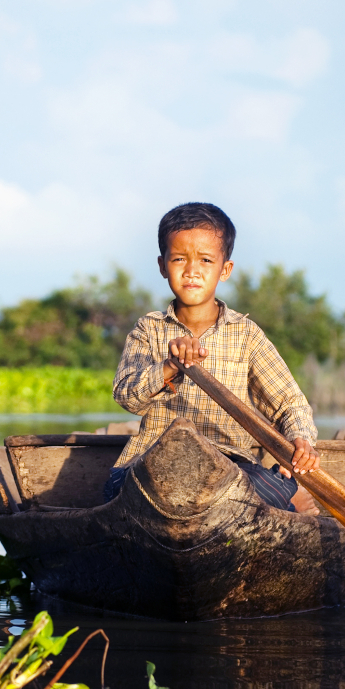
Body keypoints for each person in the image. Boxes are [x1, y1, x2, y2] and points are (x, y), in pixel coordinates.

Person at [105, 202, 321, 508]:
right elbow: (128, 397)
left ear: (225, 269)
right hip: (153, 462)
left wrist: (300, 441)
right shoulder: (149, 329)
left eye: (205, 260)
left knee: (273, 488)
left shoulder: (245, 334)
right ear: (162, 265)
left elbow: (290, 405)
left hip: (229, 467)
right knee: (118, 488)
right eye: (179, 259)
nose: (192, 271)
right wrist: (168, 366)